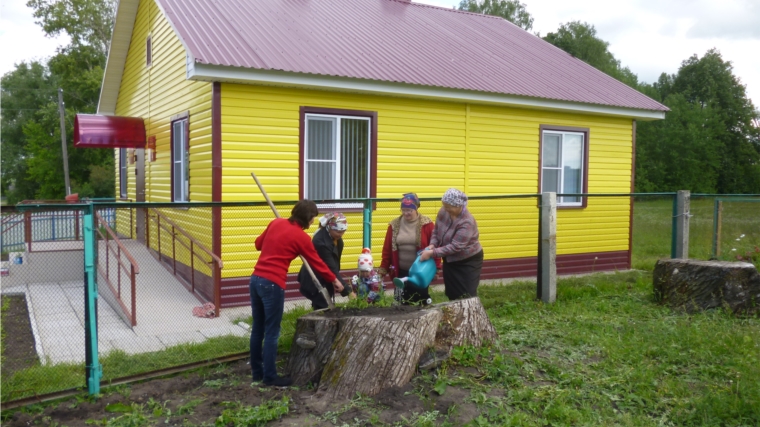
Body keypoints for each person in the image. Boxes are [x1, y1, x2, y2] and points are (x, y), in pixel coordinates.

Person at [250, 200, 344, 387]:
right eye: (312, 219)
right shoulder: (302, 238)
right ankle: (270, 377)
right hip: (273, 284)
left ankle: (257, 372)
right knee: (272, 332)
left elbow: (258, 245)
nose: (312, 223)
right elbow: (317, 263)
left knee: (258, 328)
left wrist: (276, 235)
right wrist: (334, 280)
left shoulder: (275, 223)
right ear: (308, 219)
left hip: (255, 279)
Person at [420, 188, 483, 301]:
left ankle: (468, 315)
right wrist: (432, 244)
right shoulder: (443, 211)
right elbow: (436, 230)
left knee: (467, 293)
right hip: (450, 259)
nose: (446, 209)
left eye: (449, 207)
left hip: (468, 260)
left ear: (459, 206)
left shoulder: (467, 222)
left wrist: (432, 253)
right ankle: (454, 314)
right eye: (445, 206)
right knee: (452, 291)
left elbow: (456, 246)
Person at [377, 193, 441, 305]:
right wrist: (382, 272)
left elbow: (435, 247)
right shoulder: (394, 225)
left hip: (420, 271)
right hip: (400, 272)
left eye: (409, 210)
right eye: (403, 210)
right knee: (400, 303)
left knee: (420, 302)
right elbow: (387, 251)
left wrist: (436, 269)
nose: (406, 213)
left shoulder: (427, 224)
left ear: (416, 208)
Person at [298, 212, 353, 309]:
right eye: (338, 231)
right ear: (329, 228)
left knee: (325, 306)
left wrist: (337, 282)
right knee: (324, 307)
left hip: (327, 277)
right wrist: (349, 292)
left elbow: (334, 264)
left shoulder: (337, 240)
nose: (341, 234)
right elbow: (330, 267)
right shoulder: (321, 242)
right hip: (314, 278)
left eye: (343, 231)